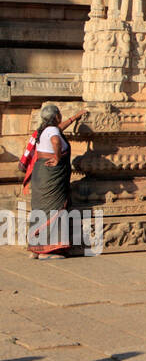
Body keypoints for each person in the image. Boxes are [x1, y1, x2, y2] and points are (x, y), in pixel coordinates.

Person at [26, 103, 87, 258]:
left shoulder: (44, 130)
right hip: (51, 175)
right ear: (56, 117)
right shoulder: (52, 131)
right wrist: (57, 157)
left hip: (42, 174)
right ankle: (49, 251)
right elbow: (56, 141)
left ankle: (36, 249)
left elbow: (59, 129)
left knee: (41, 209)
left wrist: (75, 117)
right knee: (54, 210)